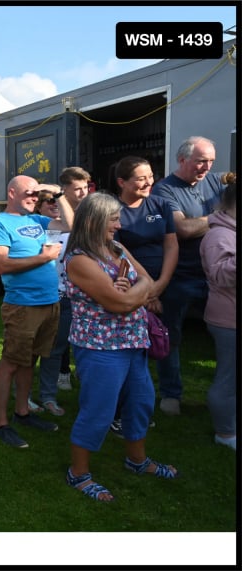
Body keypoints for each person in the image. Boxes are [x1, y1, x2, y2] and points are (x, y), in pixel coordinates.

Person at [63, 192, 177, 502]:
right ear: (92, 221)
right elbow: (119, 303)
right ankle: (79, 474)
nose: (119, 223)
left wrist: (136, 291)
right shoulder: (79, 260)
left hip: (132, 341)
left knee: (141, 403)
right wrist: (137, 293)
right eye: (113, 218)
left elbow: (149, 281)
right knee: (99, 410)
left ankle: (137, 461)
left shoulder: (116, 247)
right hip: (100, 349)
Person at [0, 175, 74, 449]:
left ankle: (22, 412)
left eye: (38, 194)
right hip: (23, 304)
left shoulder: (37, 221)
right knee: (11, 362)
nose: (35, 198)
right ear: (12, 193)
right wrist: (45, 258)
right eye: (29, 193)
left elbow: (72, 224)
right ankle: (1, 423)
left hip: (49, 302)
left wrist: (57, 194)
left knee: (30, 360)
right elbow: (2, 265)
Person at [151, 136, 227, 416]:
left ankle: (224, 392)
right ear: (182, 160)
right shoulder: (163, 190)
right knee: (170, 336)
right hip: (180, 276)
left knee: (225, 333)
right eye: (200, 161)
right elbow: (183, 230)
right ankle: (171, 394)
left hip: (217, 274)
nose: (206, 167)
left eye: (210, 161)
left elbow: (198, 225)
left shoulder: (217, 180)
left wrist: (206, 221)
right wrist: (221, 216)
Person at [110, 156, 178, 435]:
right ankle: (120, 411)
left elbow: (171, 246)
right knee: (128, 350)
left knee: (160, 343)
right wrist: (145, 292)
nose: (148, 181)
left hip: (161, 285)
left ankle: (150, 402)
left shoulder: (160, 205)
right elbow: (113, 254)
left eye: (150, 175)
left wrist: (160, 285)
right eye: (140, 177)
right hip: (127, 288)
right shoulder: (112, 210)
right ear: (122, 182)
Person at [32, 166, 91, 415]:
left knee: (60, 349)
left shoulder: (83, 219)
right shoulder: (42, 225)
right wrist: (58, 196)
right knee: (35, 349)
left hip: (73, 296)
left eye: (85, 187)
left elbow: (73, 226)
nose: (83, 192)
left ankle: (49, 395)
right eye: (76, 188)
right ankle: (27, 394)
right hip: (44, 295)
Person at [199, 181, 236, 451]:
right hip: (228, 320)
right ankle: (225, 434)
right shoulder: (218, 236)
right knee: (227, 378)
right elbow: (221, 276)